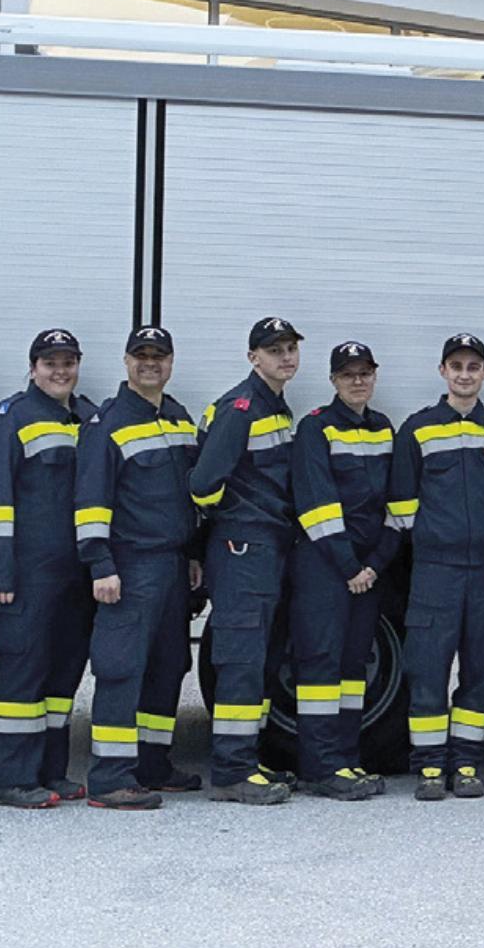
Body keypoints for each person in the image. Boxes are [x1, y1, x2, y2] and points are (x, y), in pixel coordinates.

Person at [75, 326, 203, 810]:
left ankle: (153, 763)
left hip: (171, 564)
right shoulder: (106, 422)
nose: (151, 364)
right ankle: (110, 777)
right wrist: (99, 564)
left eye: (160, 356)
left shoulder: (178, 417)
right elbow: (90, 502)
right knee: (121, 668)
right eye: (141, 356)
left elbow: (188, 497)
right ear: (126, 362)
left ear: (171, 362)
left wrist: (192, 553)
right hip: (128, 565)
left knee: (170, 665)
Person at [0, 329, 99, 808]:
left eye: (68, 362)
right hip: (27, 573)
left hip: (75, 573)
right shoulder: (11, 419)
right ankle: (11, 779)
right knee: (22, 677)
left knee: (63, 675)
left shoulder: (86, 417)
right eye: (50, 363)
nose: (60, 371)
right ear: (33, 368)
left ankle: (51, 771)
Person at [389, 334, 484, 801]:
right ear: (442, 371)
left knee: (481, 670)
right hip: (435, 570)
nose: (465, 374)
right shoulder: (418, 429)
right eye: (456, 365)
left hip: (483, 570)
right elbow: (402, 505)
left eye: (473, 367)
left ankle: (465, 763)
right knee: (428, 670)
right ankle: (427, 767)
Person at [189, 316, 304, 805]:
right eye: (274, 350)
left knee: (259, 659)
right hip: (243, 547)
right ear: (253, 357)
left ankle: (247, 760)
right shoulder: (241, 408)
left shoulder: (274, 406)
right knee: (240, 659)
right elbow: (202, 484)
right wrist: (237, 518)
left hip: (264, 547)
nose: (285, 358)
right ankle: (232, 773)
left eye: (290, 349)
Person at [287, 341, 396, 802]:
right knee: (320, 666)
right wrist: (351, 566)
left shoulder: (384, 428)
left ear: (374, 377)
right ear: (333, 380)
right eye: (348, 374)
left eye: (364, 373)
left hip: (367, 569)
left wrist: (375, 563)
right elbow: (316, 506)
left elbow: (397, 503)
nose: (357, 381)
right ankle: (319, 767)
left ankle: (347, 760)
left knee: (353, 668)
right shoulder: (316, 428)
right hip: (326, 566)